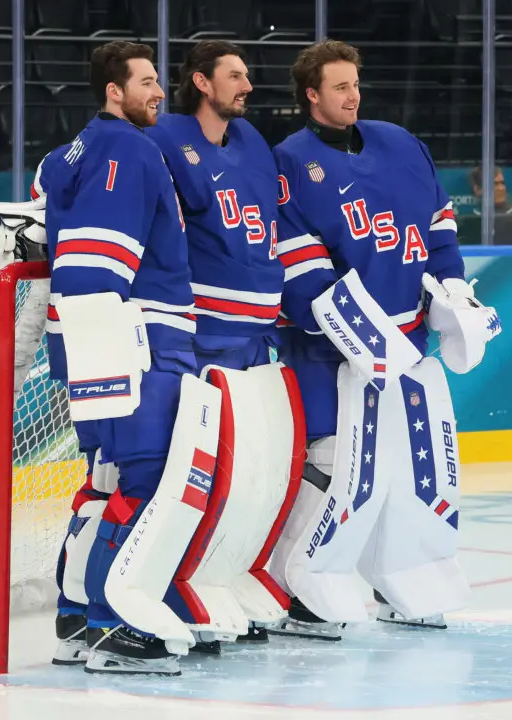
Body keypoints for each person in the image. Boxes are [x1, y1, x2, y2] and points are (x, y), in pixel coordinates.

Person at [268, 40, 498, 640]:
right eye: (339, 87)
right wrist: (362, 335)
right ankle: (305, 590)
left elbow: (439, 229)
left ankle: (402, 574)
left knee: (417, 465)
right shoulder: (290, 161)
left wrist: (453, 294)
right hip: (329, 350)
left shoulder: (401, 143)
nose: (354, 95)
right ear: (311, 95)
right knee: (336, 464)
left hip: (410, 344)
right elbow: (303, 271)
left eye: (356, 84)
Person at [31, 40, 200, 676]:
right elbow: (93, 265)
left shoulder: (67, 153)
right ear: (114, 91)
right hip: (139, 342)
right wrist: (104, 353)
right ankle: (113, 625)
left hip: (96, 344)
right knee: (145, 480)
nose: (159, 92)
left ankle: (76, 618)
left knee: (104, 482)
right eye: (148, 81)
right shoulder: (127, 148)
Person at [143, 40, 288, 653]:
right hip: (203, 334)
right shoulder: (163, 137)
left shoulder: (252, 142)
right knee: (194, 473)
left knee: (251, 473)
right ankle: (170, 585)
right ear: (201, 82)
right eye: (235, 75)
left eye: (247, 75)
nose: (247, 85)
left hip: (255, 337)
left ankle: (216, 579)